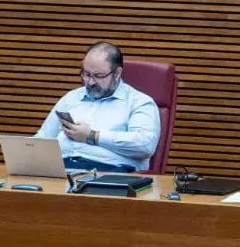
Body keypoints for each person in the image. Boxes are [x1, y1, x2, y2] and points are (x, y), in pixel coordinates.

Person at [35, 42, 160, 172]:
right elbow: (43, 139)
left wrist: (92, 136)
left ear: (117, 73)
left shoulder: (139, 102)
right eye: (86, 74)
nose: (90, 82)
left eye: (98, 76)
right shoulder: (71, 98)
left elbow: (144, 146)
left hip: (109, 172)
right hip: (60, 169)